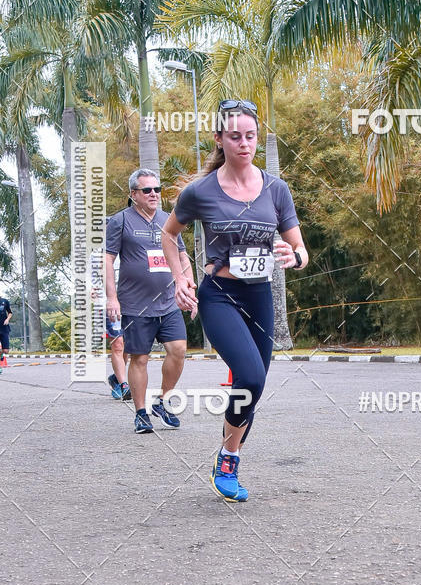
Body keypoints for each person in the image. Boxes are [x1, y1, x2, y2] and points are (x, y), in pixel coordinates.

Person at [162, 100, 308, 502]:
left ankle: (229, 456)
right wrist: (181, 277)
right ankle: (228, 460)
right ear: (219, 140)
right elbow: (169, 234)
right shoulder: (200, 191)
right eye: (235, 137)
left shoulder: (277, 189)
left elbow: (300, 248)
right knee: (251, 377)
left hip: (260, 295)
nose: (244, 144)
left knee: (252, 388)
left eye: (251, 136)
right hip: (220, 295)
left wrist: (293, 257)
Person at [106, 168, 197, 433]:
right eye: (147, 190)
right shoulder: (120, 221)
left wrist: (189, 287)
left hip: (168, 302)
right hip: (135, 305)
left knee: (178, 350)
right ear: (134, 194)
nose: (154, 194)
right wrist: (112, 298)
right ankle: (141, 413)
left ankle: (162, 401)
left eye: (157, 189)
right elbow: (108, 260)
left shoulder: (168, 219)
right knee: (140, 359)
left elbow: (182, 256)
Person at [106, 315, 131, 400]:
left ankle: (116, 378)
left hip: (132, 307)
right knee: (117, 345)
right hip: (112, 310)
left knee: (126, 345)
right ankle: (124, 385)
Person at [0, 295, 12, 370]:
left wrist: (7, 319)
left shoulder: (5, 301)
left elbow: (10, 312)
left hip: (4, 328)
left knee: (6, 351)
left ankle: (1, 355)